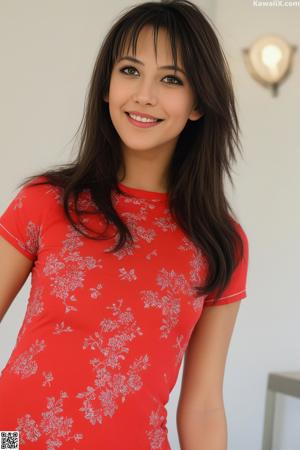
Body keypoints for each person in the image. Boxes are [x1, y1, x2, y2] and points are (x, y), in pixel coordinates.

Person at [0, 0, 249, 449]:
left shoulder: (219, 242)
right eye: (130, 71)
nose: (144, 95)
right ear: (106, 87)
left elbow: (204, 404)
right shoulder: (45, 201)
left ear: (198, 104)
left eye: (171, 79)